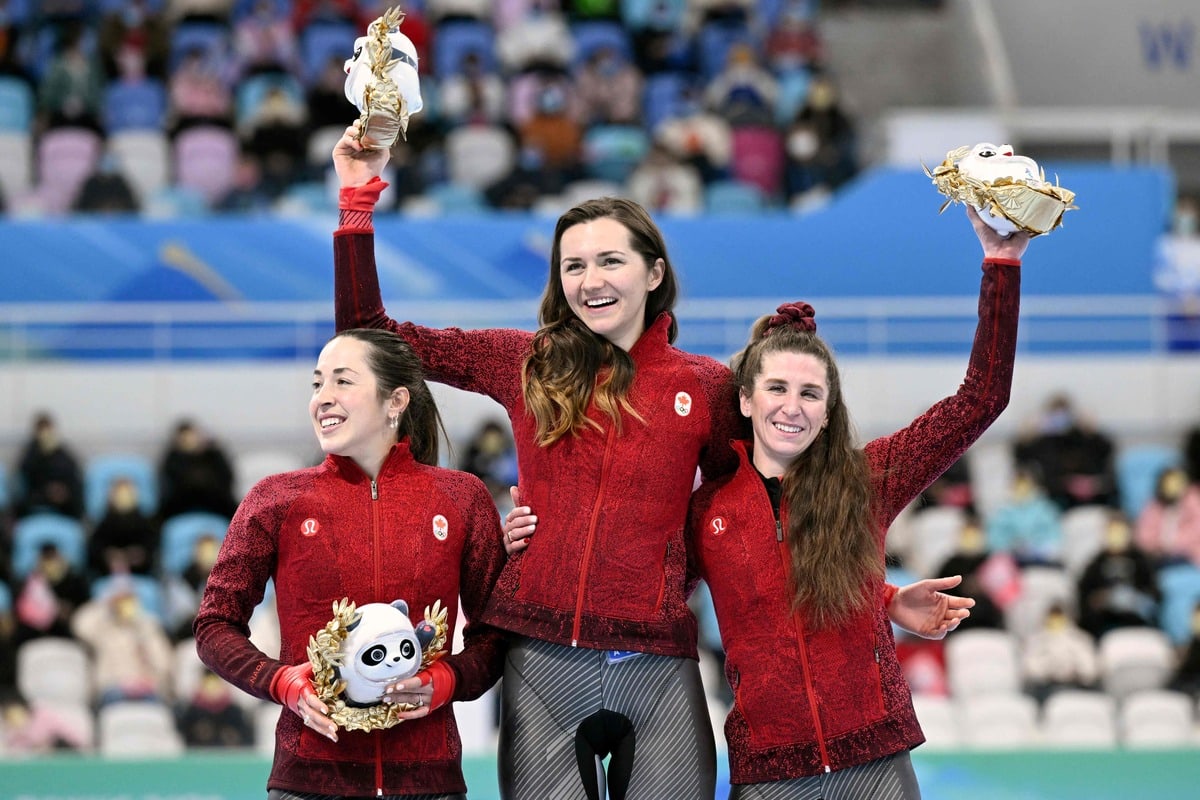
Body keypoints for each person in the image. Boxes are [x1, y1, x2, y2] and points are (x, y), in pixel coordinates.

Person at [332, 120, 979, 799]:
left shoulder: (703, 387)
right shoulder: (523, 363)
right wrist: (356, 201)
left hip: (660, 668)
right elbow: (370, 335)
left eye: (610, 261)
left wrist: (875, 598)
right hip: (542, 660)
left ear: (655, 272)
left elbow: (767, 521)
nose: (590, 280)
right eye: (573, 265)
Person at [193, 328, 508, 798]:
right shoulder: (276, 499)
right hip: (309, 781)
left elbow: (497, 633)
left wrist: (448, 679)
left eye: (342, 381)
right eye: (317, 384)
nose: (323, 398)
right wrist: (281, 682)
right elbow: (214, 625)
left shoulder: (462, 498)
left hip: (428, 782)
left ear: (395, 400)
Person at [1076, 510, 1160, 640]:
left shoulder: (1141, 561)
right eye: (1112, 532)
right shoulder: (1095, 563)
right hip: (1104, 625)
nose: (1116, 537)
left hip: (1137, 624)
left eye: (1120, 532)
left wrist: (1136, 599)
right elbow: (1084, 595)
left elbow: (1154, 595)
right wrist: (1099, 599)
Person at [156, 418, 238, 521]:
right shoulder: (173, 458)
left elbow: (227, 480)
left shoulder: (214, 455)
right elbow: (169, 487)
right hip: (181, 505)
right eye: (184, 438)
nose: (189, 440)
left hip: (216, 502)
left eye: (191, 436)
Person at [14, 411, 84, 520]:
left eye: (48, 429)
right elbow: (26, 475)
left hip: (63, 497)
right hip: (39, 496)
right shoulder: (30, 453)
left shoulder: (62, 452)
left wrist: (62, 491)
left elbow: (73, 472)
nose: (45, 433)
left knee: (75, 498)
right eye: (42, 430)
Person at [88, 476, 161, 577]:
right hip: (108, 575)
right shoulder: (104, 523)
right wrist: (108, 556)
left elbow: (152, 548)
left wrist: (141, 555)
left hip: (140, 574)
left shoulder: (146, 523)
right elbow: (94, 550)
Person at [1134, 464, 1200, 571]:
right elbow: (1143, 535)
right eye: (1169, 483)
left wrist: (1175, 543)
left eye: (1177, 483)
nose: (1173, 487)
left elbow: (1197, 529)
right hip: (1161, 557)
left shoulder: (1193, 500)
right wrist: (1157, 546)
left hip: (1190, 555)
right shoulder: (1154, 505)